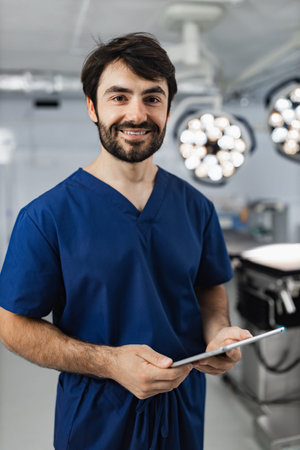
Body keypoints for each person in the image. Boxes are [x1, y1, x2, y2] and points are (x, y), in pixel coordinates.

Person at [0, 32, 251, 450]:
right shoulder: (47, 216)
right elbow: (12, 326)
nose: (137, 113)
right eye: (119, 97)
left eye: (152, 98)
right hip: (97, 418)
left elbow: (209, 289)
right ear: (91, 107)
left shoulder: (196, 208)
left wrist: (218, 334)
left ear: (168, 109)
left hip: (182, 410)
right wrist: (109, 363)